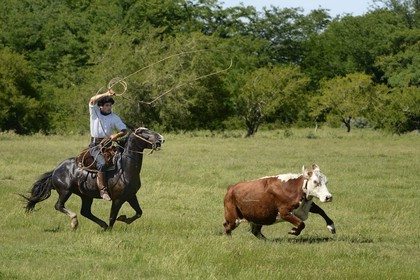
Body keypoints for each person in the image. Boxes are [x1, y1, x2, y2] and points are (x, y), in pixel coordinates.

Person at [89, 89, 127, 201]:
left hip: (109, 145)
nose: (109, 107)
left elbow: (124, 130)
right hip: (95, 145)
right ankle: (103, 190)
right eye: (106, 105)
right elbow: (92, 99)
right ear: (100, 106)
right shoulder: (94, 112)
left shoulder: (114, 117)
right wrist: (106, 94)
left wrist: (116, 135)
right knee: (102, 163)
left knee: (122, 160)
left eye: (110, 105)